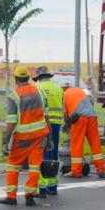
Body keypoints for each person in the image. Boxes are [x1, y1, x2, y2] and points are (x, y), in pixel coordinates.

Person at [1, 66, 51, 206]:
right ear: (28, 77)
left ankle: (11, 197)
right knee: (35, 166)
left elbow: (11, 122)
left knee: (13, 165)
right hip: (41, 135)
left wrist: (5, 142)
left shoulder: (13, 96)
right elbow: (47, 117)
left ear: (15, 79)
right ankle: (30, 196)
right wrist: (50, 137)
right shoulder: (41, 92)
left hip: (22, 138)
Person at [63, 77, 105, 178]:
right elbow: (90, 103)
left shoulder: (64, 95)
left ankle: (76, 171)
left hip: (80, 118)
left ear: (63, 89)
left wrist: (67, 126)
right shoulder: (80, 91)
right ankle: (101, 169)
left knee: (77, 144)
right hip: (92, 116)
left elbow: (66, 116)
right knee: (95, 143)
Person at [34, 66, 64, 196]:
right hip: (56, 124)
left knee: (43, 155)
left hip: (43, 125)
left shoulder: (38, 88)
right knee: (53, 154)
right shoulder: (58, 88)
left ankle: (43, 188)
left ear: (39, 78)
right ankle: (53, 186)